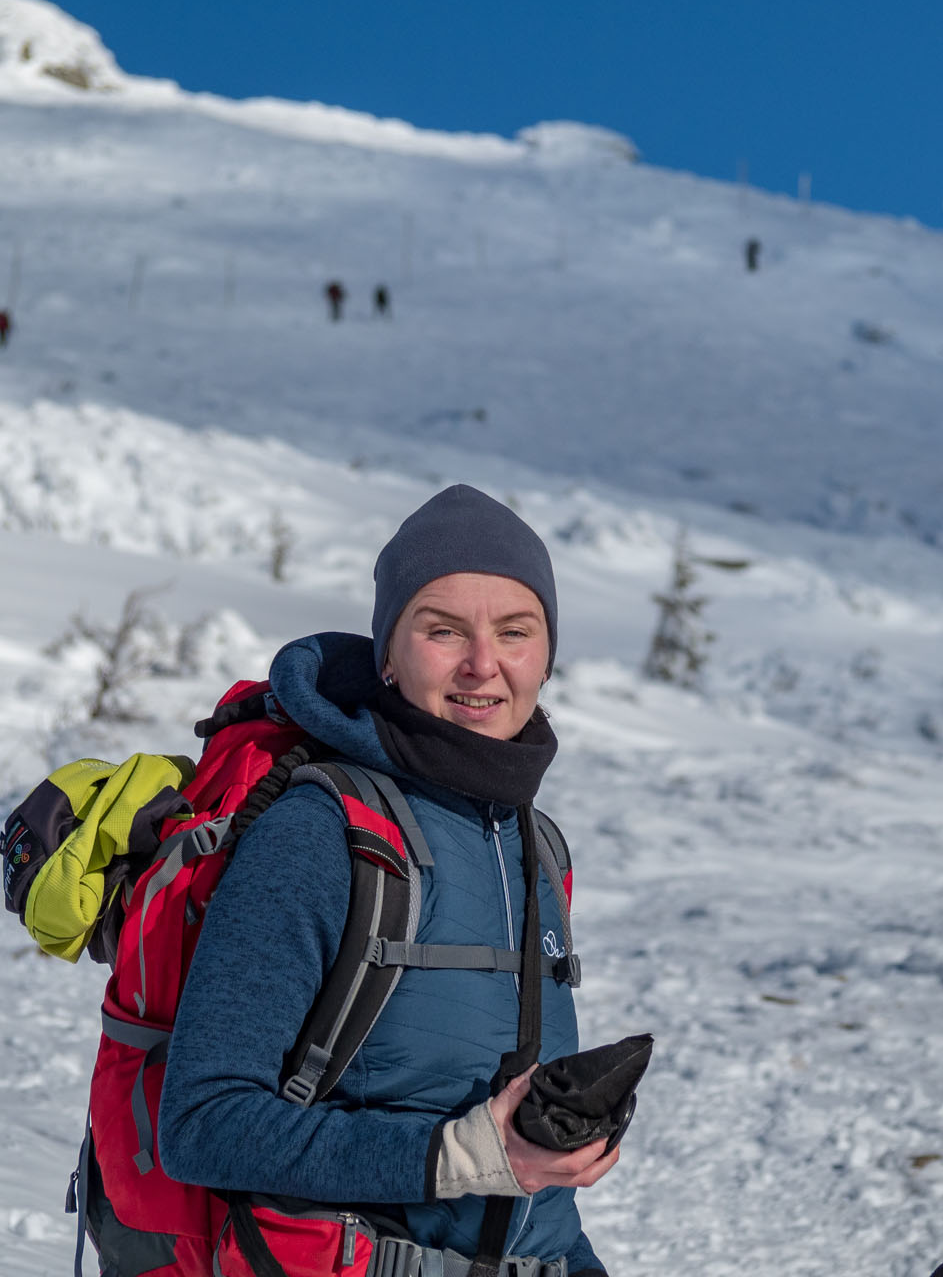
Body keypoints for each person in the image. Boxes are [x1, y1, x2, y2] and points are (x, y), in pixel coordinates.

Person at [159, 484, 618, 1277]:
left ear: (546, 653)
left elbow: (526, 1191)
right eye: (443, 631)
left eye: (516, 631)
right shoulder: (322, 834)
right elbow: (202, 1123)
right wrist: (453, 1156)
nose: (484, 664)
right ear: (388, 656)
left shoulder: (536, 848)